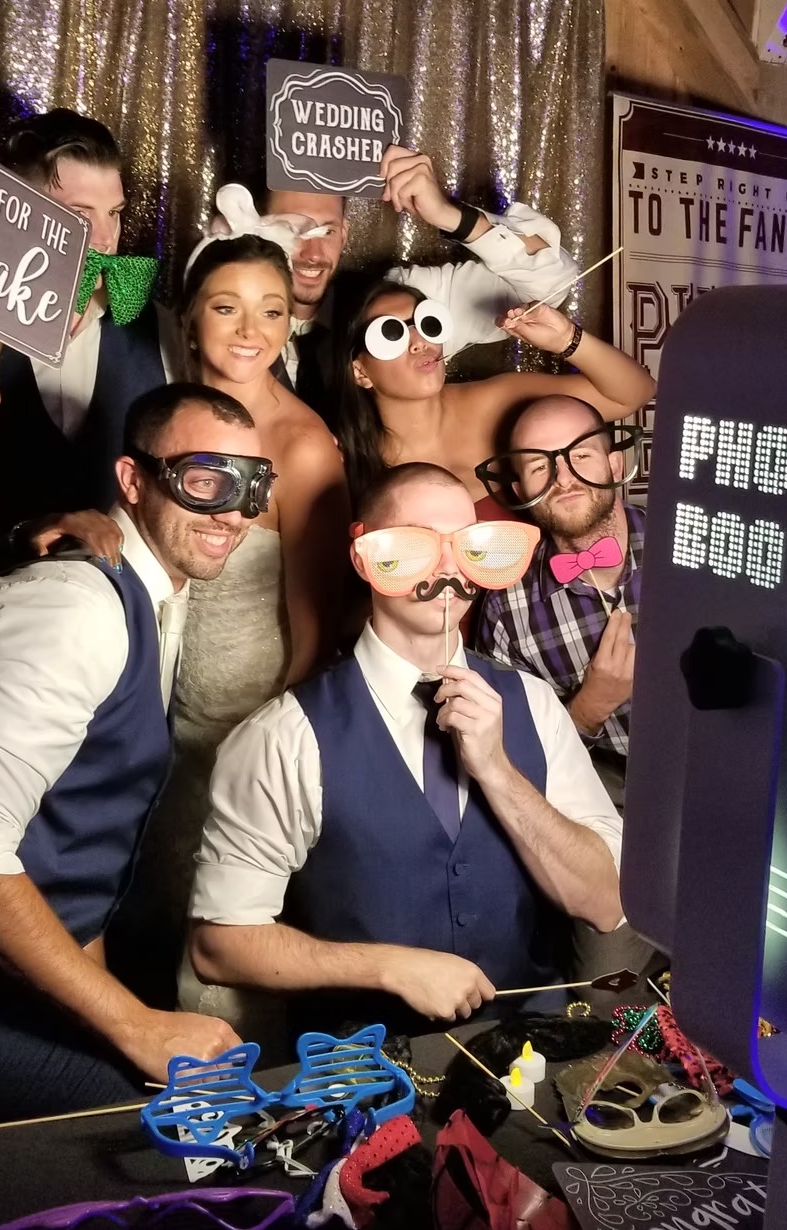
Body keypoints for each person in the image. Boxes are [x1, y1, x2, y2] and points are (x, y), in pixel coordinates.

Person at [0, 383, 258, 1137]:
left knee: (204, 1101)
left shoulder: (158, 595)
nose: (234, 511)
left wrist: (116, 1015)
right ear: (133, 479)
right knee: (175, 1126)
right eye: (205, 479)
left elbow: (72, 849)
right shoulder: (75, 610)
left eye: (254, 486)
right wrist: (132, 1026)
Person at [187, 463, 624, 1036]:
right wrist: (390, 967)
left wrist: (498, 772)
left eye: (466, 546)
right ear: (364, 553)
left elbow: (606, 904)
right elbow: (219, 945)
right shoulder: (282, 738)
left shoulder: (536, 707)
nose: (448, 568)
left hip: (533, 1057)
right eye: (415, 544)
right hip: (361, 1081)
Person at [111, 221, 350, 1028]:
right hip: (153, 722)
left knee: (216, 958)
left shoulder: (303, 447)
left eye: (273, 311)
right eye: (227, 307)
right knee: (143, 921)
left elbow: (317, 632)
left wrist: (256, 755)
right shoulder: (161, 421)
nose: (252, 332)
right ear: (188, 320)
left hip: (241, 732)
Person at [473, 393, 657, 993]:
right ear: (518, 485)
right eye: (539, 464)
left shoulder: (696, 549)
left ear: (615, 462)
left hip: (722, 792)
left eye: (580, 454)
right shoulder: (506, 605)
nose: (564, 476)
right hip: (601, 801)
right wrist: (591, 705)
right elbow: (514, 759)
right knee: (605, 999)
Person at [267, 144, 580, 421]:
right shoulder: (223, 317)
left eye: (327, 231)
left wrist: (449, 215)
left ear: (345, 233)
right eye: (290, 229)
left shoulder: (404, 306)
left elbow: (551, 281)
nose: (311, 254)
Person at [0, 108, 168, 530]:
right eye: (81, 214)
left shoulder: (157, 328)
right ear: (19, 212)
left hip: (115, 587)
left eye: (114, 213)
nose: (105, 238)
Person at [335, 279, 657, 516]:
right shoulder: (343, 462)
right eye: (391, 334)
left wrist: (565, 339)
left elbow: (634, 393)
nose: (419, 342)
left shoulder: (496, 403)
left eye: (427, 324)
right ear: (360, 372)